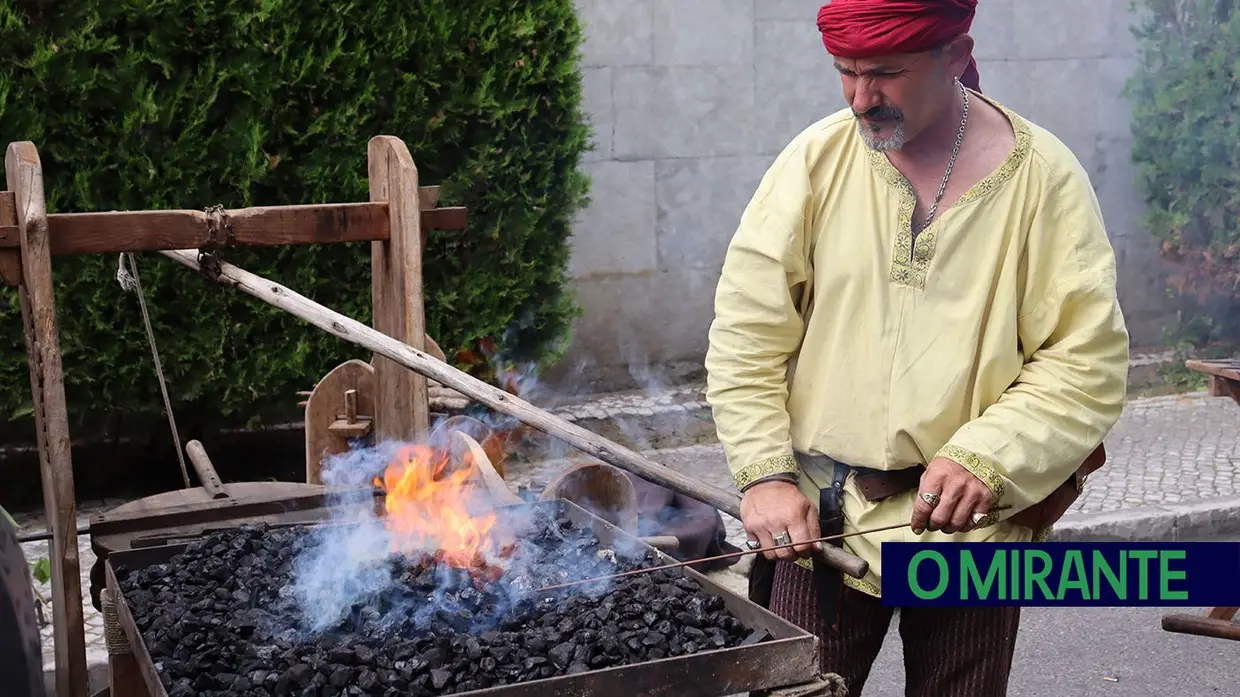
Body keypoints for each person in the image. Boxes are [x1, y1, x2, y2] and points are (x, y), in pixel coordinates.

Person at [703, 0, 1131, 694]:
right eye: (846, 72)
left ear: (956, 54)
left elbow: (1084, 361)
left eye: (885, 73)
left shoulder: (1044, 179)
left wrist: (988, 457)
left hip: (976, 536)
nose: (862, 98)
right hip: (821, 525)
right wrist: (766, 477)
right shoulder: (814, 163)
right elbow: (747, 335)